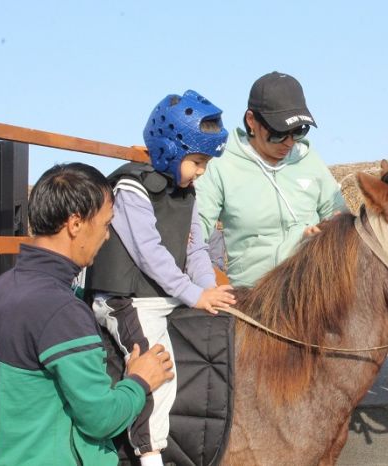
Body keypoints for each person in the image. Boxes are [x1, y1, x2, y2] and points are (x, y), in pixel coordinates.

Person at [0, 162, 174, 466]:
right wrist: (139, 380)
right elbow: (100, 419)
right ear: (75, 224)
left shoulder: (4, 287)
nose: (108, 236)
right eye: (105, 224)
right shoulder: (61, 312)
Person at [85, 90, 236, 466]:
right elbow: (149, 254)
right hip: (127, 300)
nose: (201, 171)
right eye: (197, 162)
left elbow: (197, 250)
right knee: (159, 370)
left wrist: (209, 291)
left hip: (164, 296)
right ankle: (149, 453)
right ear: (170, 149)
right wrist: (192, 294)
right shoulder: (130, 189)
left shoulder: (187, 194)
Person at [195, 71, 348, 287]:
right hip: (255, 296)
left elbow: (342, 218)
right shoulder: (221, 163)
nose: (289, 142)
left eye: (298, 131)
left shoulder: (310, 160)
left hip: (315, 289)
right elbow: (196, 231)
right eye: (279, 132)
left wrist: (328, 232)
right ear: (251, 121)